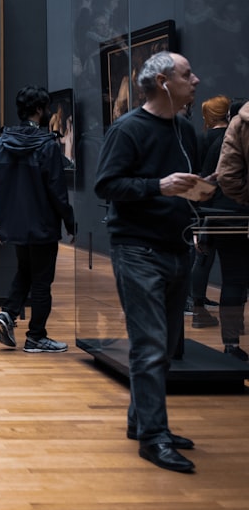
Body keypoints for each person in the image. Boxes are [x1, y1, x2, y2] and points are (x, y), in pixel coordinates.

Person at [94, 50, 205, 473]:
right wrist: (159, 186)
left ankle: (142, 420)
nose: (195, 79)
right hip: (138, 250)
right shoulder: (127, 130)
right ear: (163, 82)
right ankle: (154, 437)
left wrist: (196, 204)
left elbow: (183, 186)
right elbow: (107, 185)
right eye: (187, 73)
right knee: (151, 345)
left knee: (164, 345)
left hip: (177, 248)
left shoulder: (184, 130)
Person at [0, 86, 75, 353]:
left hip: (15, 224)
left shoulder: (3, 141)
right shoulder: (47, 144)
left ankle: (7, 313)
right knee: (41, 282)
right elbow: (57, 192)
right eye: (46, 106)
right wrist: (70, 222)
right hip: (42, 225)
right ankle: (36, 336)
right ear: (39, 110)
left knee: (25, 271)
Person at [187, 95, 230, 327]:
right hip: (227, 205)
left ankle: (198, 305)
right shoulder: (229, 138)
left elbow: (196, 172)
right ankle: (200, 308)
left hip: (205, 204)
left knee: (203, 256)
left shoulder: (202, 138)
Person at [212, 98, 249, 360]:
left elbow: (227, 176)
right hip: (235, 217)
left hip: (236, 216)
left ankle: (231, 342)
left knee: (234, 280)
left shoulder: (240, 122)